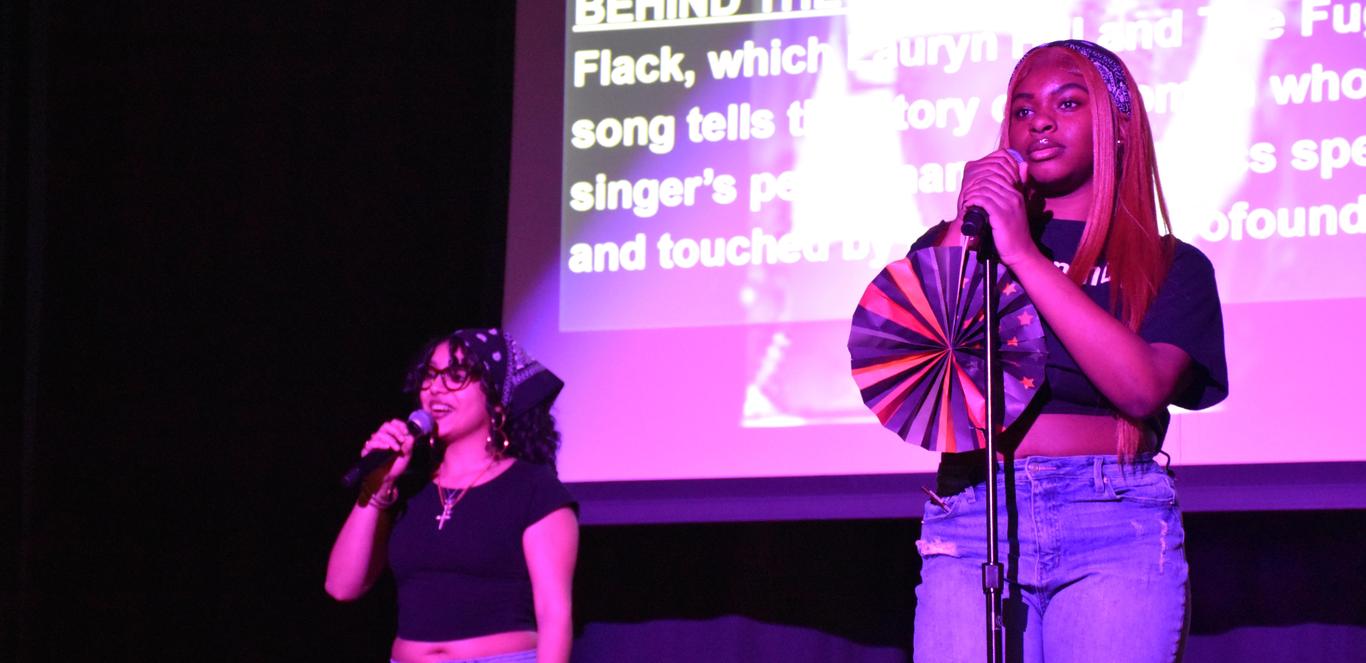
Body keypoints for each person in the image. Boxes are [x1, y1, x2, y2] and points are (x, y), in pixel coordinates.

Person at [907, 41, 1228, 662]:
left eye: (1068, 103)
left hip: (1114, 516)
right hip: (976, 510)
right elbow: (916, 360)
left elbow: (1141, 388)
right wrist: (969, 220)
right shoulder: (970, 243)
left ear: (1117, 127)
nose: (1040, 122)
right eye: (1023, 111)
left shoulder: (1171, 265)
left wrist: (1025, 254)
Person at [326, 328, 578, 663]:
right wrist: (377, 486)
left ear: (496, 398)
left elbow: (554, 614)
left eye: (456, 376)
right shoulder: (410, 489)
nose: (434, 388)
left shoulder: (533, 487)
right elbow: (342, 587)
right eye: (429, 376)